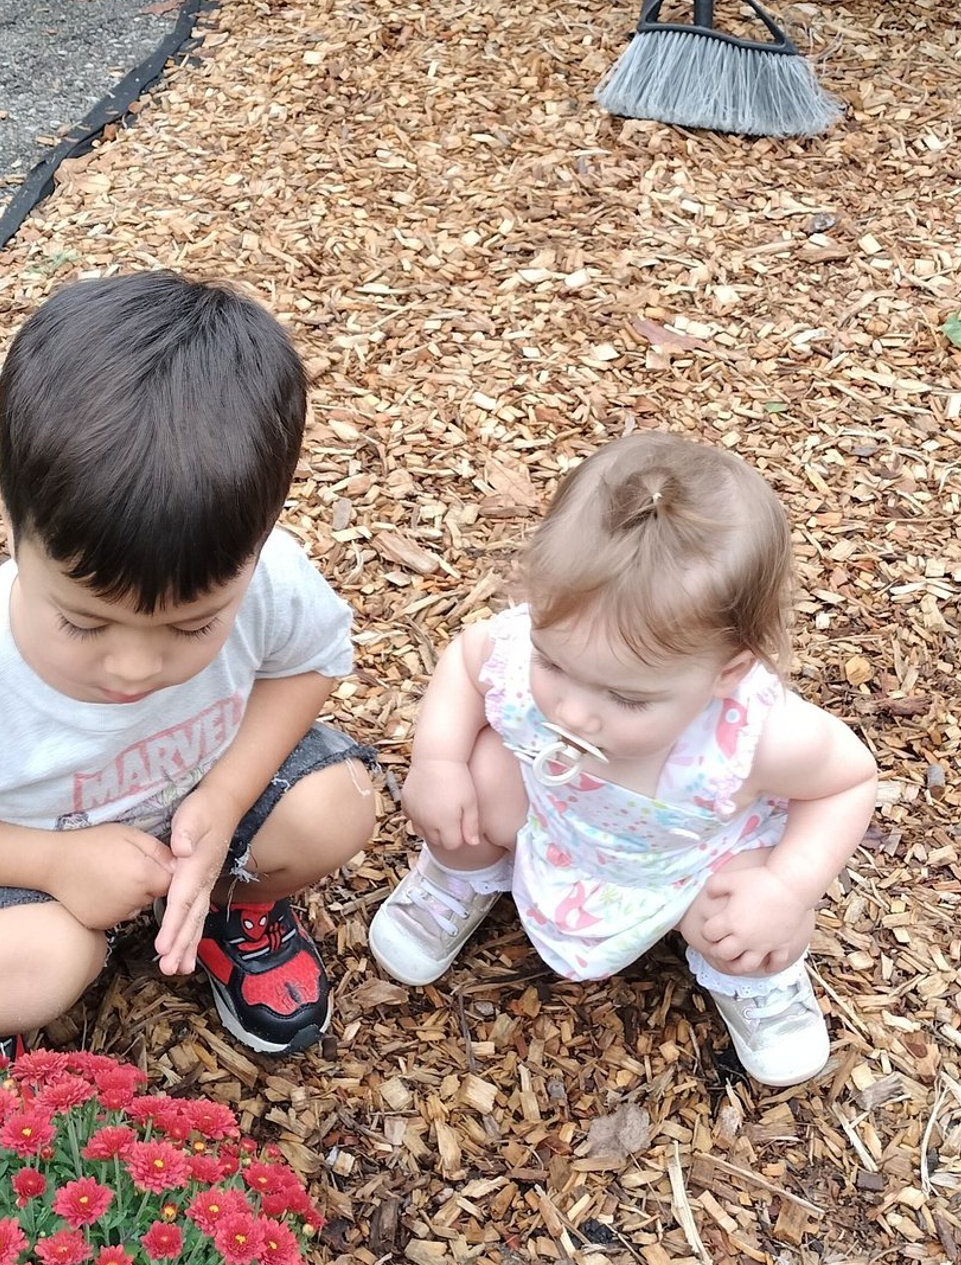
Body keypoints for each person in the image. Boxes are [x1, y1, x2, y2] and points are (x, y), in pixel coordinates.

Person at [0, 270, 376, 1061]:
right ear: (13, 525)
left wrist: (224, 801)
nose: (136, 666)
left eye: (194, 624)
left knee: (339, 807)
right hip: (23, 851)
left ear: (257, 547)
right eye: (83, 621)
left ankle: (227, 902)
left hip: (194, 802)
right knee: (29, 971)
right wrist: (55, 861)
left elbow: (311, 664)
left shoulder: (271, 577)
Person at [368, 434, 876, 1084]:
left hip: (689, 856)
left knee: (751, 915)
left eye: (626, 697)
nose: (571, 712)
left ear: (729, 671)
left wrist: (788, 886)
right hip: (552, 814)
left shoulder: (759, 739)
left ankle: (755, 981)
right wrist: (437, 760)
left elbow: (847, 782)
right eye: (552, 662)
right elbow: (467, 664)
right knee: (474, 784)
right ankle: (457, 877)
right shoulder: (533, 649)